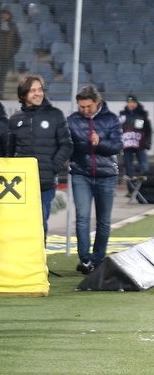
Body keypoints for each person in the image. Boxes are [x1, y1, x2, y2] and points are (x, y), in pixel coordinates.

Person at [7, 75, 73, 237]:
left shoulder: (55, 115)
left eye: (40, 89)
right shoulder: (15, 119)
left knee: (40, 223)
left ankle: (39, 260)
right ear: (23, 95)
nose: (38, 93)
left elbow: (67, 144)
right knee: (21, 224)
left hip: (45, 183)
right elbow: (10, 151)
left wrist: (53, 167)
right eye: (32, 90)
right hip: (21, 183)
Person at [67, 85, 123, 274]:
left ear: (97, 103)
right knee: (82, 217)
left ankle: (98, 259)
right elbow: (67, 145)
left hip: (106, 175)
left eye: (88, 107)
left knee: (103, 220)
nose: (84, 110)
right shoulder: (72, 121)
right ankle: (85, 258)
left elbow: (117, 146)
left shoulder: (111, 119)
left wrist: (100, 143)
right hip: (80, 173)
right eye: (81, 107)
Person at [120, 95, 151, 179]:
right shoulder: (123, 115)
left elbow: (148, 129)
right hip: (127, 145)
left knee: (143, 162)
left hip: (140, 143)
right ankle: (130, 179)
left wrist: (148, 142)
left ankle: (142, 175)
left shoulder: (143, 114)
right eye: (129, 102)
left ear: (136, 103)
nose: (131, 104)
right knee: (128, 163)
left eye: (133, 102)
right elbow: (119, 129)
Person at [0, 9, 21, 94]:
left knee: (2, 77)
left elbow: (18, 40)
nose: (4, 16)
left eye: (6, 14)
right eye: (3, 14)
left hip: (7, 57)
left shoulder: (12, 26)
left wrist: (13, 51)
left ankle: (0, 94)